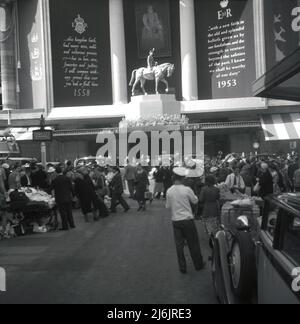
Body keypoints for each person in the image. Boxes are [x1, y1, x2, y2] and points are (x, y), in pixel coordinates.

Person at [166, 167, 205, 274]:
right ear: (183, 178)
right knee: (193, 243)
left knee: (179, 245)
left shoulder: (169, 190)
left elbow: (168, 206)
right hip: (187, 220)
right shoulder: (187, 189)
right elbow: (195, 201)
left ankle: (182, 267)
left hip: (176, 220)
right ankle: (198, 264)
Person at [51, 166, 75, 231]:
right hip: (68, 197)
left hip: (60, 198)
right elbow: (71, 188)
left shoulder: (55, 180)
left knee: (63, 213)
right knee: (69, 211)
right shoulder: (67, 178)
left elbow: (51, 188)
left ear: (56, 172)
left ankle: (65, 226)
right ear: (61, 171)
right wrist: (73, 195)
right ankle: (72, 225)